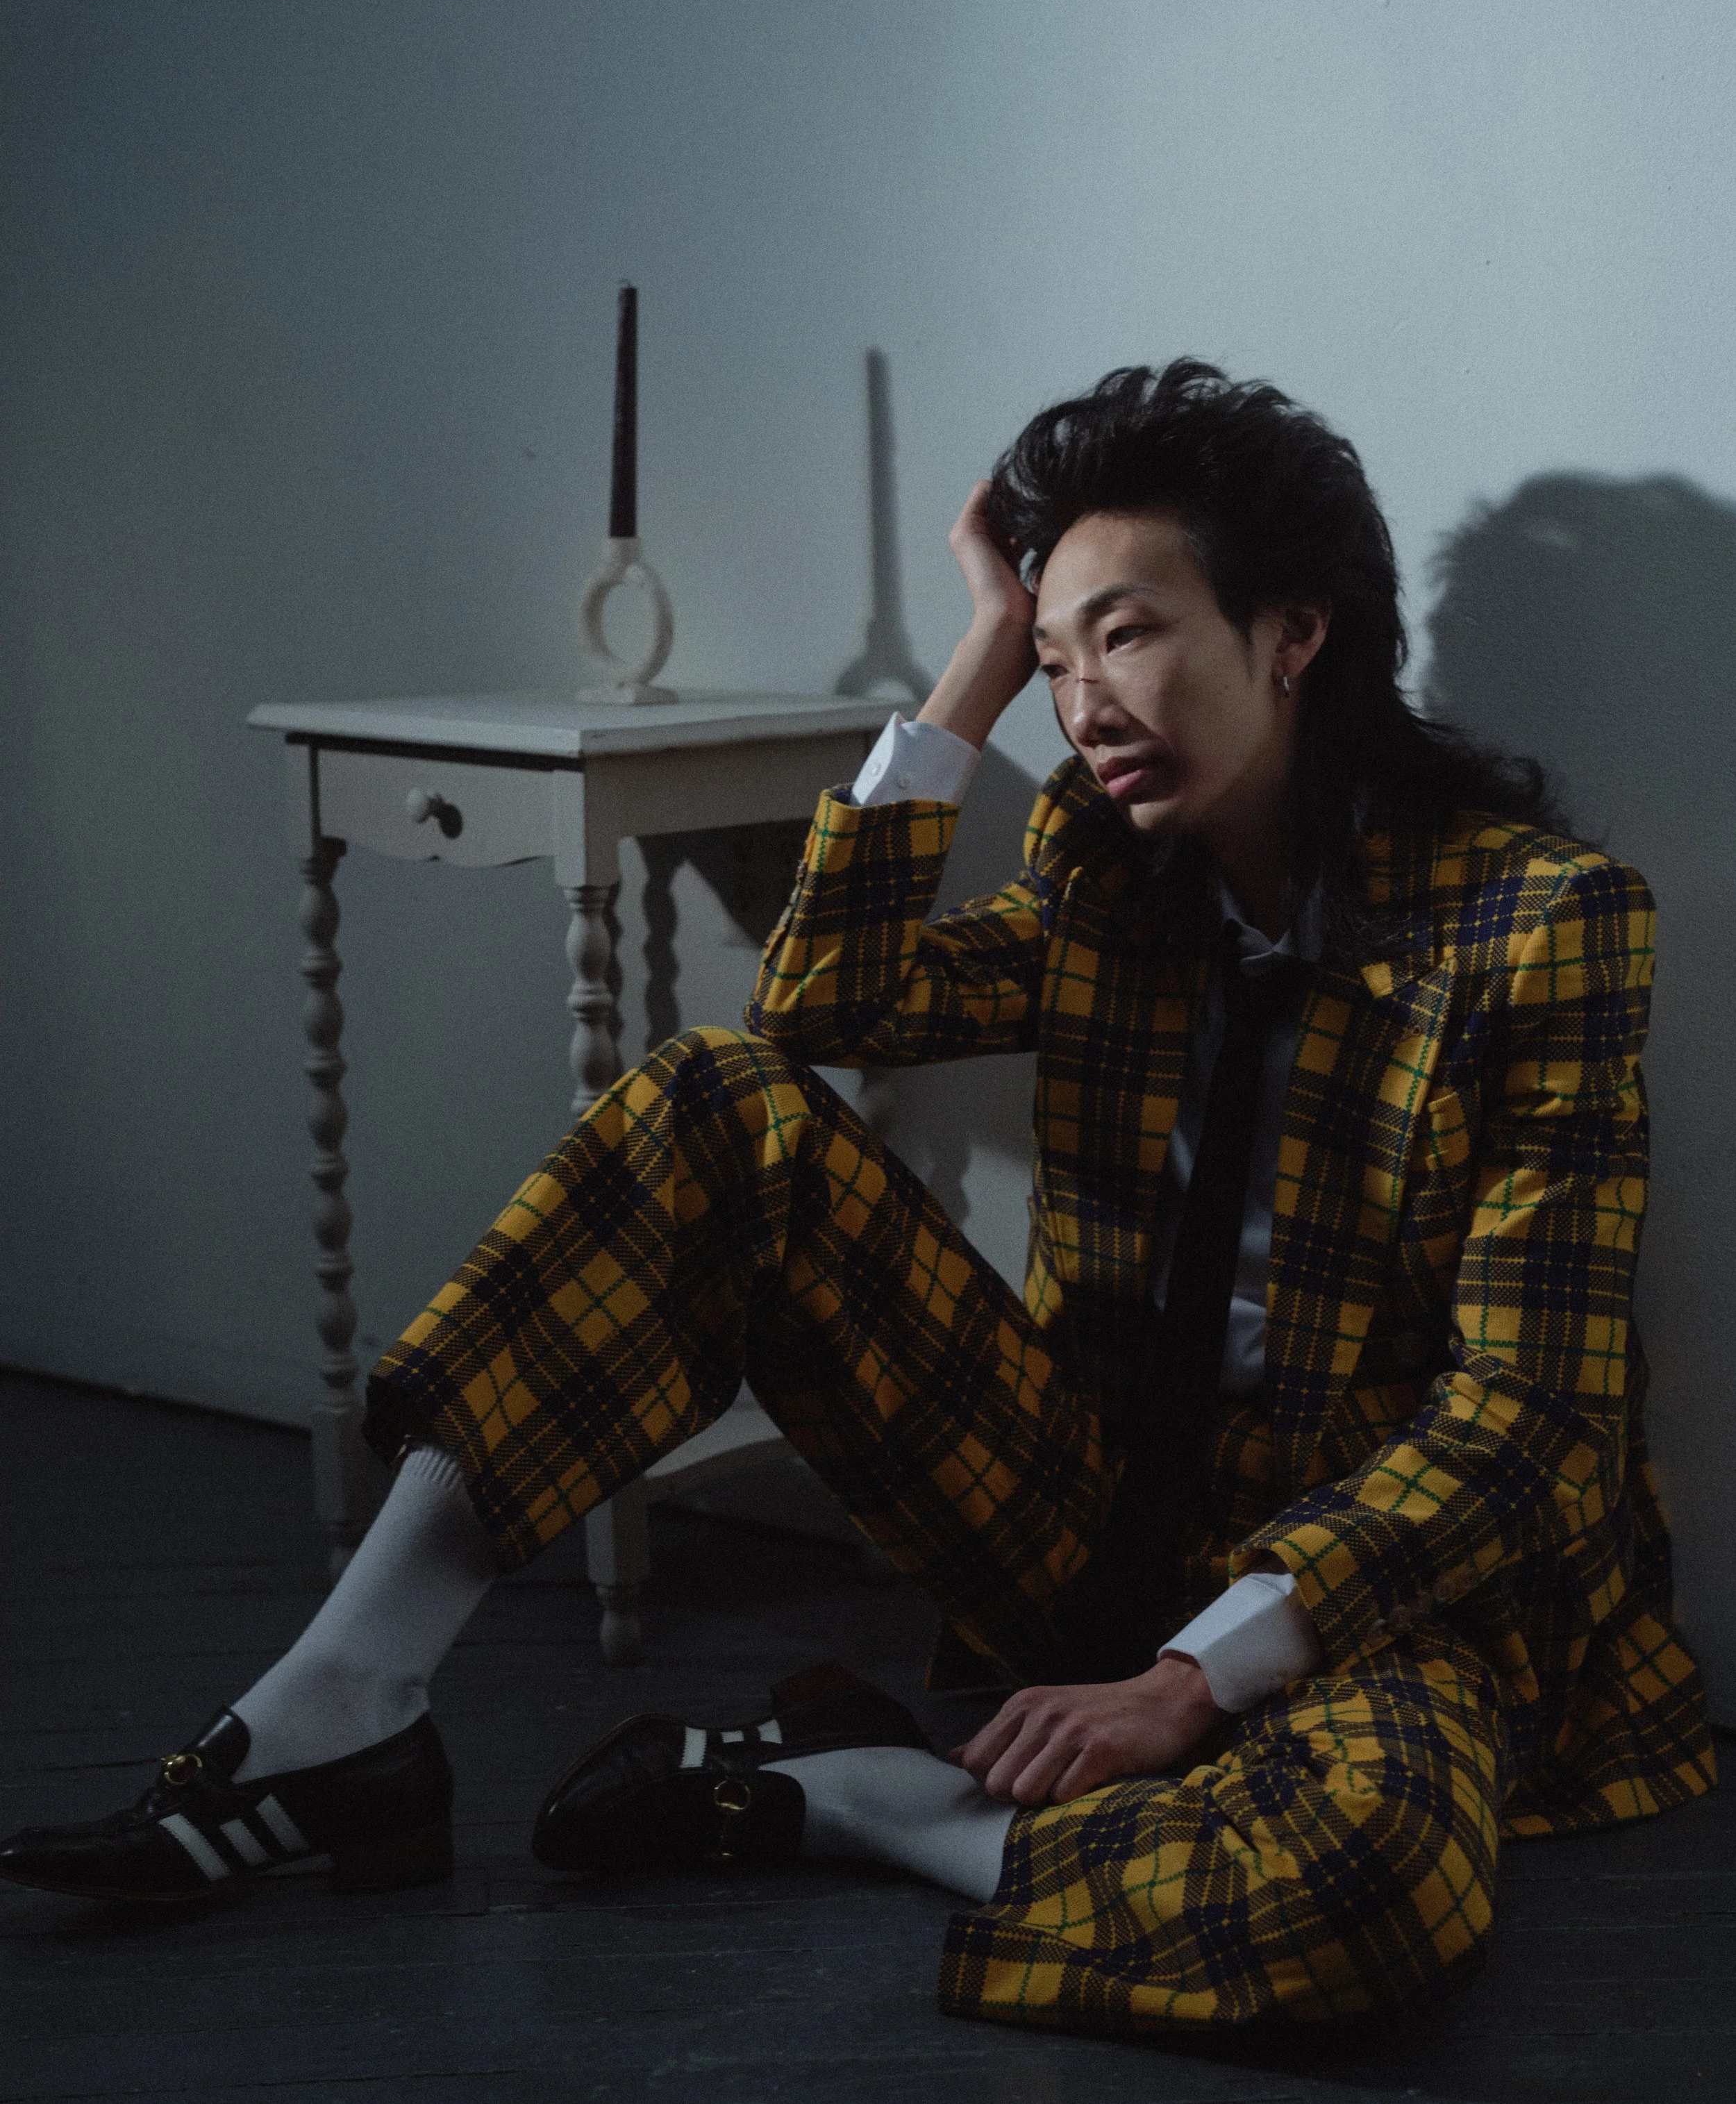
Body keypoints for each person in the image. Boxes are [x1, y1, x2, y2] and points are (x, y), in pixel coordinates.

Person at [2, 362, 1715, 2038]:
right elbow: (815, 1006)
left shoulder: (1538, 924)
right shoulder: (1106, 872)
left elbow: (1526, 1415)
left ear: (1293, 629)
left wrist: (1193, 1674)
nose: (1083, 705)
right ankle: (344, 1702)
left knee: (1374, 1884)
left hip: (1364, 1592)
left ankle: (874, 1794)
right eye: (1055, 661)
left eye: (1123, 634)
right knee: (715, 1105)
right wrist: (980, 651)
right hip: (1084, 1512)